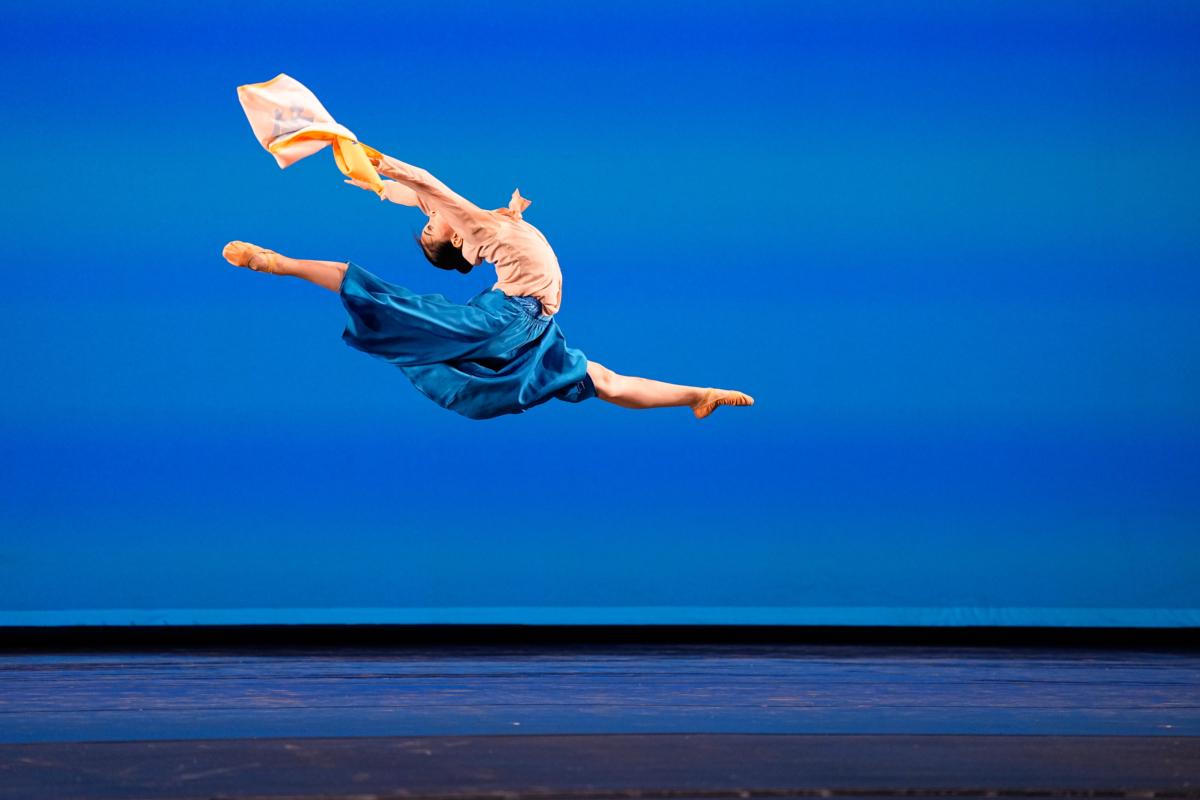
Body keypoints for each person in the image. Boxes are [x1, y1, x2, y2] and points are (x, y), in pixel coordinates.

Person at [221, 151, 754, 421]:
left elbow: (421, 198)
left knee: (607, 383)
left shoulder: (473, 221)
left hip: (534, 325)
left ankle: (696, 395)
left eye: (431, 223)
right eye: (433, 229)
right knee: (373, 292)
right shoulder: (474, 225)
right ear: (454, 241)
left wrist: (380, 188)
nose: (431, 218)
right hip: (509, 317)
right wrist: (376, 159)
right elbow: (428, 185)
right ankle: (273, 261)